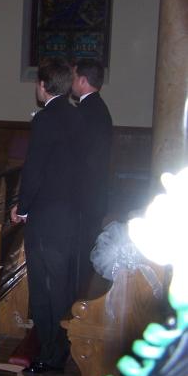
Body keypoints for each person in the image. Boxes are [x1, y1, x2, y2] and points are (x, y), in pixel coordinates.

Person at [10, 58, 82, 374]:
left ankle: (50, 353)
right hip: (70, 212)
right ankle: (63, 345)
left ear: (42, 86)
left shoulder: (45, 118)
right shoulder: (78, 115)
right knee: (63, 284)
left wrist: (22, 208)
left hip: (46, 215)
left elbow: (35, 169)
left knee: (43, 287)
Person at [71, 58, 113, 294]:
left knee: (79, 254)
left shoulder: (85, 112)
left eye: (74, 77)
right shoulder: (99, 108)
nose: (71, 82)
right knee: (84, 252)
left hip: (83, 196)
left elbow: (78, 158)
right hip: (93, 194)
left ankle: (76, 302)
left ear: (83, 81)